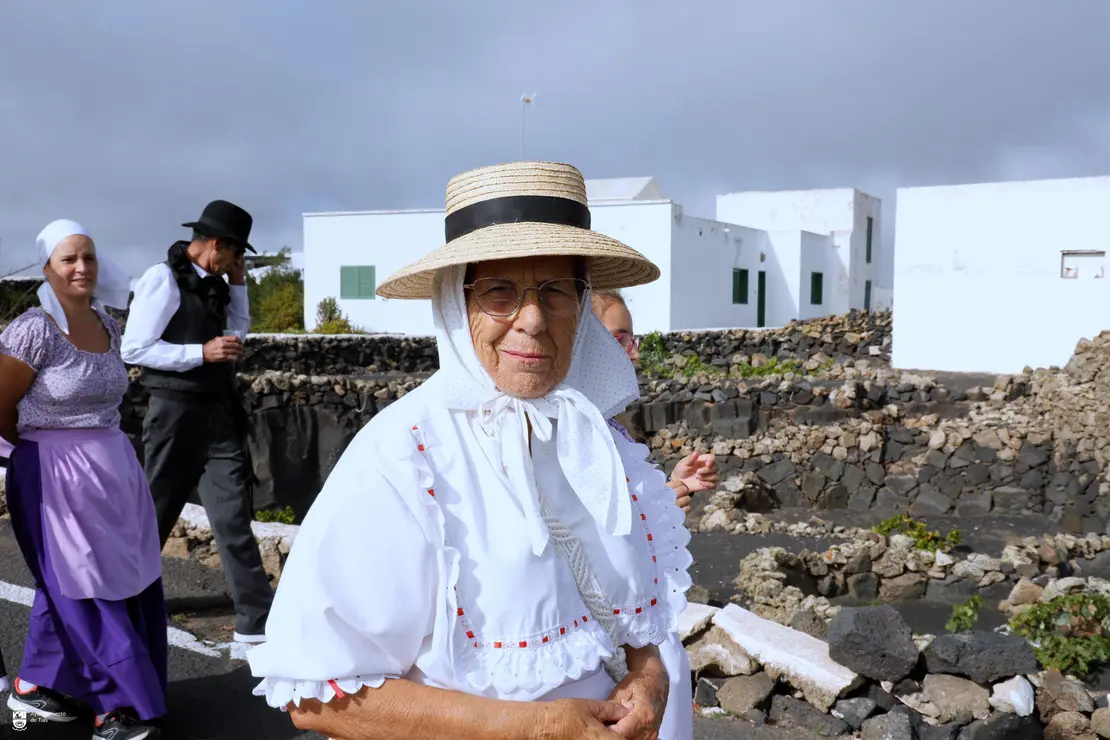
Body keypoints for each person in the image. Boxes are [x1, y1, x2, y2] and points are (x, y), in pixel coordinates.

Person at [247, 161, 695, 739]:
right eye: (499, 293)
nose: (532, 320)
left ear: (582, 306)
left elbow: (637, 617)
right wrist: (530, 728)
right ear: (457, 303)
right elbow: (319, 695)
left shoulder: (595, 443)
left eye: (556, 291)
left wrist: (650, 679)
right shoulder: (404, 459)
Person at [0, 219, 167, 739]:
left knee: (101, 582)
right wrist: (39, 452)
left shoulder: (108, 323)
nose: (81, 268)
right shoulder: (34, 328)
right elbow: (1, 405)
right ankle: (117, 708)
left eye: (88, 258)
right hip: (52, 472)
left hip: (113, 472)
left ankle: (36, 683)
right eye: (69, 258)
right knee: (86, 589)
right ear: (47, 267)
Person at [120, 200, 273, 644]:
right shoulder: (161, 279)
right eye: (237, 255)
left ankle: (256, 624)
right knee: (154, 516)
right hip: (174, 412)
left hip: (218, 412)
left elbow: (236, 337)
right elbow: (134, 349)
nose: (237, 263)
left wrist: (240, 287)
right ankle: (126, 612)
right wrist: (198, 353)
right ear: (217, 246)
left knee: (233, 518)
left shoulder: (222, 284)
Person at [591, 290, 719, 513]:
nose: (635, 354)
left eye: (633, 340)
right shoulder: (562, 429)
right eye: (620, 340)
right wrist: (654, 508)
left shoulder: (611, 423)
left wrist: (677, 484)